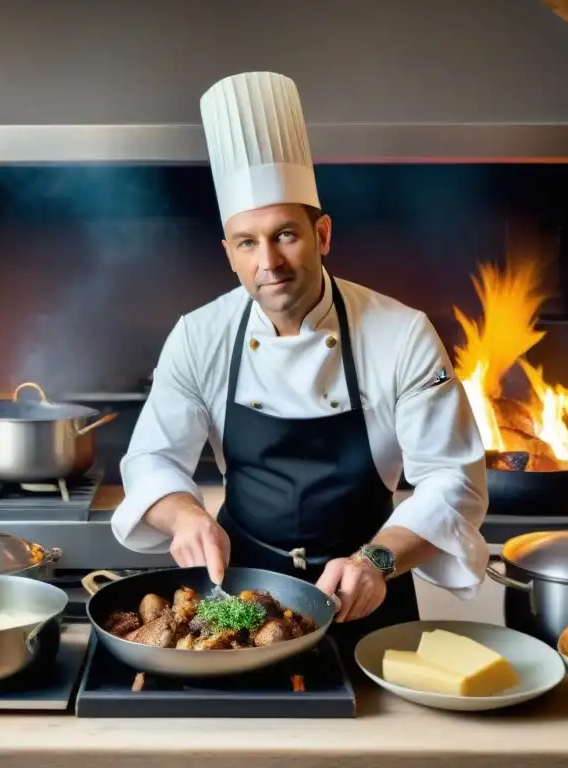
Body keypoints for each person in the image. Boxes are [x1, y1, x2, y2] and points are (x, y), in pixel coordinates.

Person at [111, 71, 488, 648]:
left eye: (285, 234)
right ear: (229, 255)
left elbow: (452, 480)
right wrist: (186, 516)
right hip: (240, 601)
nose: (269, 262)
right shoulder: (199, 335)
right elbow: (152, 459)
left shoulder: (401, 333)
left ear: (323, 234)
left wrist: (379, 560)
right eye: (247, 242)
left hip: (369, 590)